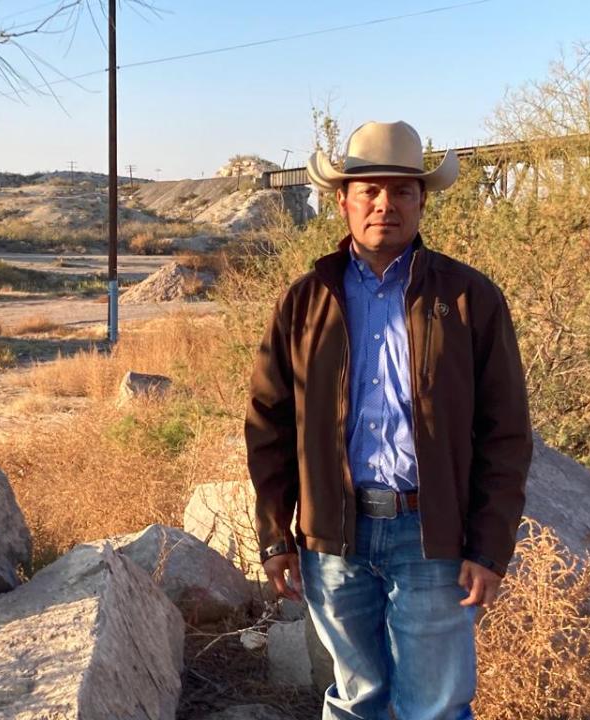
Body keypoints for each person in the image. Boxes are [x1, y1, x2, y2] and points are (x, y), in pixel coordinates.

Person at [245, 120, 533, 720]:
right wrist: (277, 533)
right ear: (343, 201)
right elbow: (268, 422)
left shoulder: (468, 298)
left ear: (422, 201)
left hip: (432, 537)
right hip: (334, 538)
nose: (385, 204)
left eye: (402, 191)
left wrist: (490, 544)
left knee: (435, 707)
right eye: (370, 190)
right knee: (356, 702)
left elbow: (506, 433)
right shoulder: (305, 301)